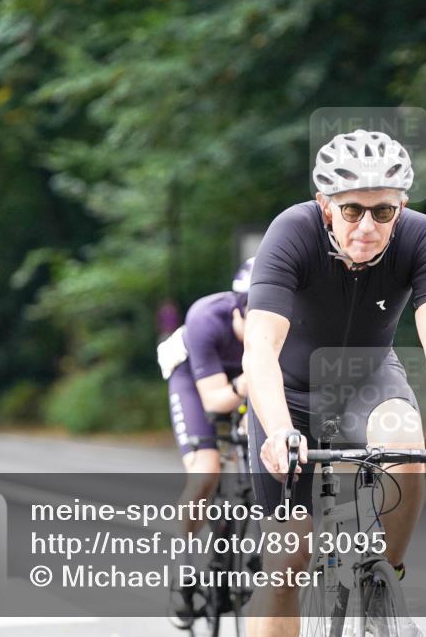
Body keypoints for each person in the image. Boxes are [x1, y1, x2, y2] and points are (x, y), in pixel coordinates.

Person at [243, 129, 426, 637]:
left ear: (400, 208)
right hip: (289, 395)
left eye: (383, 212)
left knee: (405, 443)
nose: (367, 226)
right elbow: (260, 348)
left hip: (369, 382)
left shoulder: (421, 236)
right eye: (352, 210)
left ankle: (385, 583)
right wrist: (277, 431)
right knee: (287, 565)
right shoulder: (291, 232)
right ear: (325, 205)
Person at [157, 258, 254, 626]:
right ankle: (182, 568)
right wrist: (249, 381)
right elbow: (215, 401)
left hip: (244, 378)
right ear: (237, 311)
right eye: (253, 319)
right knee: (207, 472)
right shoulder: (206, 318)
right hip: (195, 380)